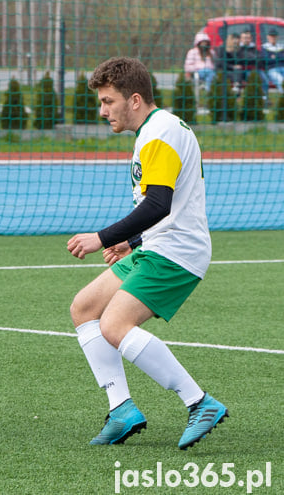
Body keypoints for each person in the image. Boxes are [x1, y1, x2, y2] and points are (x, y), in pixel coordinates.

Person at [66, 57, 227, 450]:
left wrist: (101, 237)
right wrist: (132, 242)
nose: (103, 110)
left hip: (176, 253)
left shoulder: (159, 134)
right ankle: (121, 409)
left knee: (114, 326)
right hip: (159, 245)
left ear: (134, 99)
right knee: (85, 308)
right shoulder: (157, 129)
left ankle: (199, 402)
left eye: (108, 101)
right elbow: (168, 206)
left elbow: (159, 205)